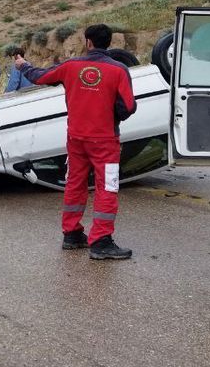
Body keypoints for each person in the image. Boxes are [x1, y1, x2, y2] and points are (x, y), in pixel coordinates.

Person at [16, 24, 136, 260]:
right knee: (107, 187)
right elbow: (129, 106)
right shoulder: (119, 70)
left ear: (88, 42)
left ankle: (72, 234)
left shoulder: (71, 66)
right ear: (109, 43)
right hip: (105, 141)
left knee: (75, 183)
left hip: (76, 139)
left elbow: (40, 77)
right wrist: (113, 114)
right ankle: (101, 241)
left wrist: (23, 66)